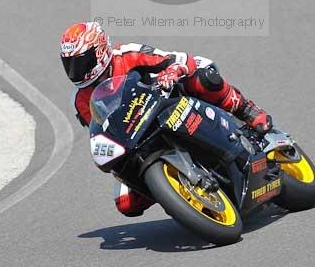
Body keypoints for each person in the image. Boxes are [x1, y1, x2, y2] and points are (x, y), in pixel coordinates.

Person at [60, 20, 272, 217]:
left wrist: (172, 72)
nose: (75, 71)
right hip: (136, 136)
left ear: (100, 52)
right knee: (126, 203)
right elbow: (100, 127)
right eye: (69, 64)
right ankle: (178, 193)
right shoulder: (79, 100)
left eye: (82, 62)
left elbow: (179, 60)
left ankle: (247, 110)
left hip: (170, 100)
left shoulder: (127, 54)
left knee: (203, 78)